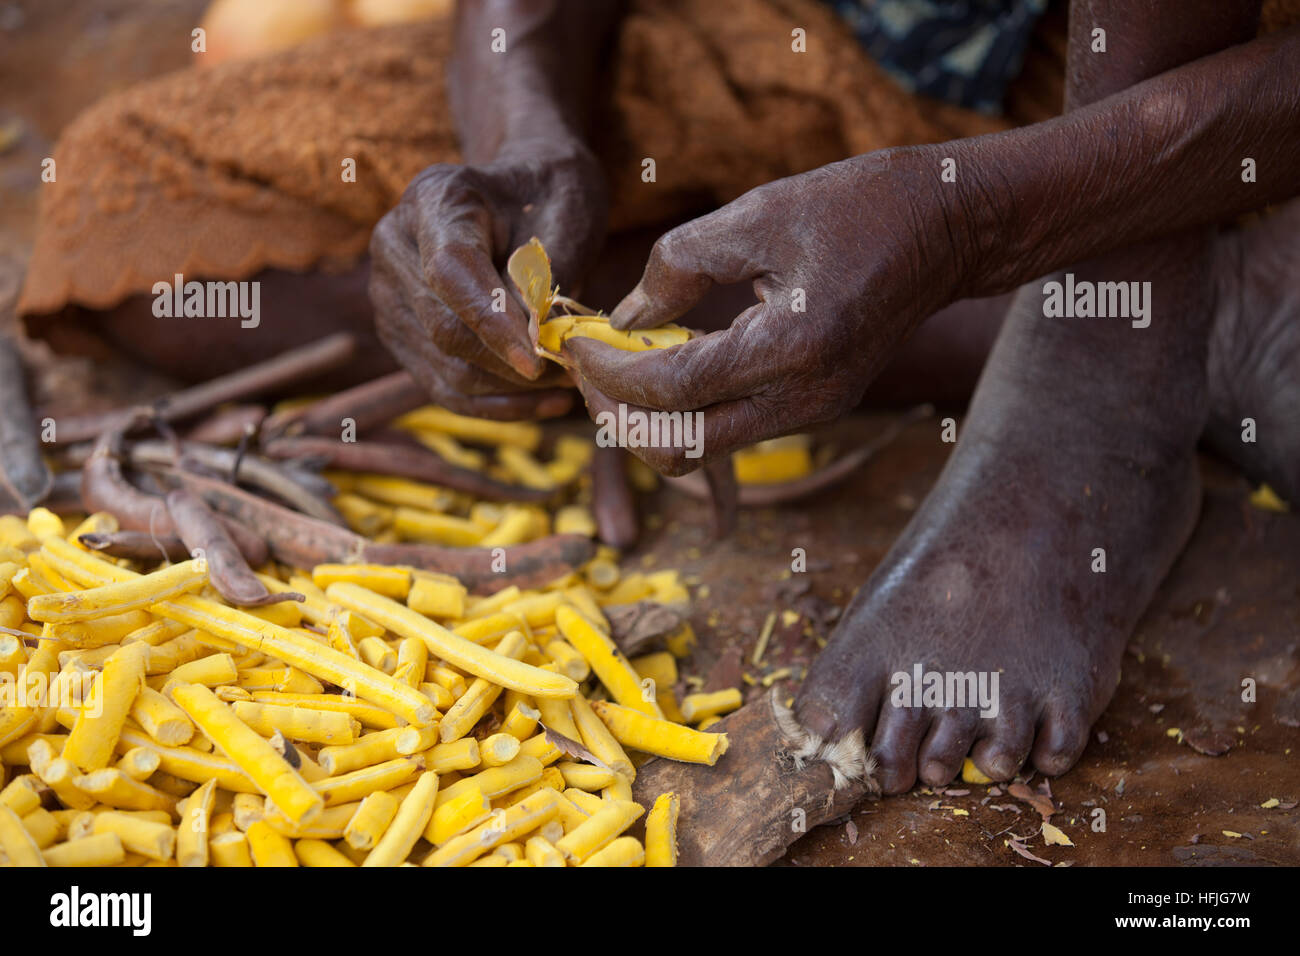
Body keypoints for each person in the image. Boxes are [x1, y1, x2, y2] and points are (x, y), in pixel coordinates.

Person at [17, 0, 1300, 793]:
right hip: (800, 35)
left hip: (1160, 88)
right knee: (152, 229)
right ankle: (829, 289)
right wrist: (527, 141)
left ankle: (1107, 341)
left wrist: (967, 221)